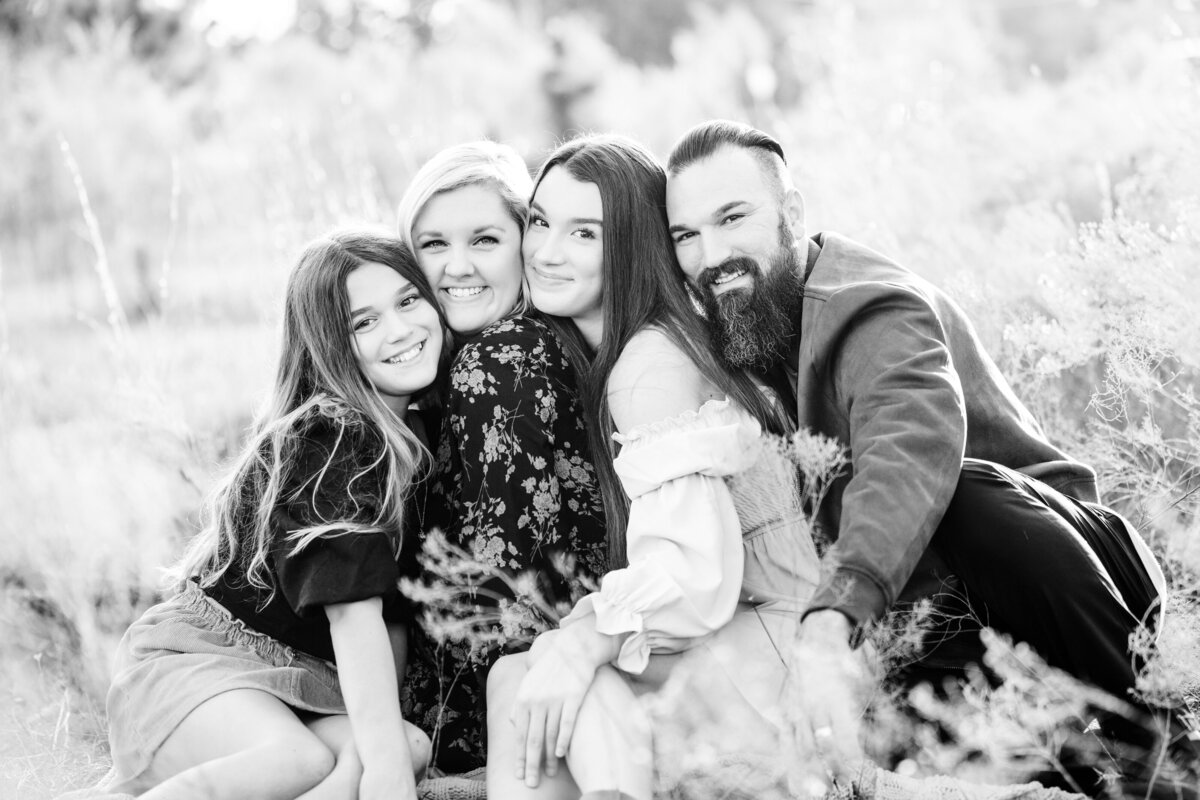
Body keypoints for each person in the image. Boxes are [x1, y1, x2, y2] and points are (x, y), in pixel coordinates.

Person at [663, 120, 1185, 793]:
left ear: (792, 213)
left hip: (1069, 585)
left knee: (964, 500)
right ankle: (1082, 772)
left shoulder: (872, 306)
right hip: (942, 625)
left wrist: (830, 623)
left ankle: (1165, 746)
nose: (711, 253)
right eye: (686, 235)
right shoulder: (742, 332)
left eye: (733, 217)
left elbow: (908, 452)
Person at [484, 134, 813, 800]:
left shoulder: (646, 368)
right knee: (521, 678)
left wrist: (584, 644)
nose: (545, 251)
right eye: (540, 222)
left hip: (781, 651)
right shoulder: (653, 340)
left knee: (558, 668)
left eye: (583, 233)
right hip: (744, 629)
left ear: (629, 247)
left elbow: (694, 578)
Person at [100, 229, 446, 800]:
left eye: (409, 301)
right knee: (302, 758)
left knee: (402, 746)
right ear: (328, 345)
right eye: (364, 322)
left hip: (300, 688)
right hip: (199, 669)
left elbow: (391, 620)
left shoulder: (417, 437)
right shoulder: (331, 435)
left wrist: (388, 762)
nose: (401, 330)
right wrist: (388, 783)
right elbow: (354, 616)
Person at [395, 141, 608, 774]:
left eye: (483, 240)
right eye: (433, 244)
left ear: (526, 242)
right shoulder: (533, 342)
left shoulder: (497, 362)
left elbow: (504, 586)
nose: (456, 267)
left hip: (509, 704)